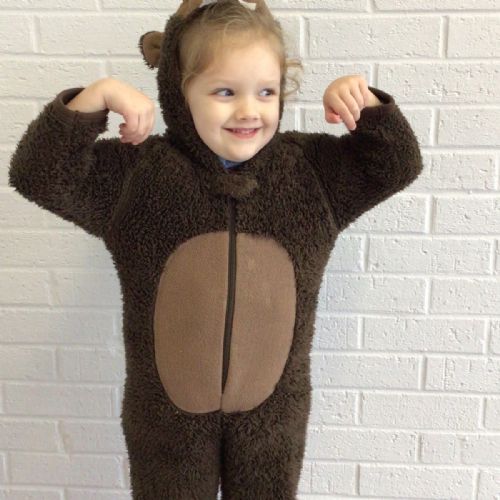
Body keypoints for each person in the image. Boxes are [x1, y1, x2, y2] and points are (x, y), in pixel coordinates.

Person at [8, 0, 424, 498]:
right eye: (225, 91)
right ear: (179, 92)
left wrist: (368, 108)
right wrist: (94, 99)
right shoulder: (138, 177)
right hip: (166, 422)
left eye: (266, 91)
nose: (249, 110)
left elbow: (396, 164)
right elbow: (38, 174)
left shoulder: (310, 174)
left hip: (273, 417)